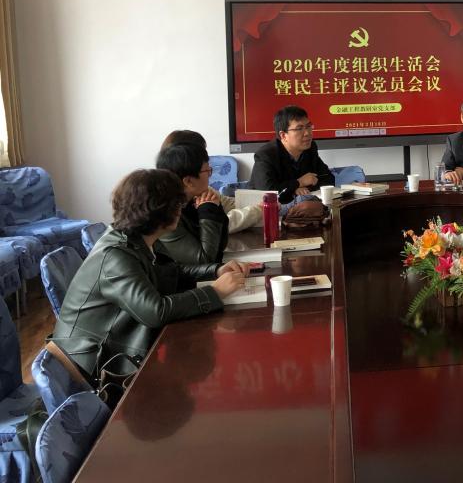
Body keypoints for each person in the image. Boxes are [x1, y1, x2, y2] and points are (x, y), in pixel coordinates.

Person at [49, 169, 247, 384]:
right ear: (160, 211)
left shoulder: (136, 238)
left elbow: (171, 272)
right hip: (90, 368)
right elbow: (155, 311)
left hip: (115, 347)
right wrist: (215, 291)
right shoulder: (115, 256)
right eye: (177, 204)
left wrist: (216, 270)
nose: (181, 210)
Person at [156, 142, 230, 264]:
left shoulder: (192, 201)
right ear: (188, 181)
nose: (210, 176)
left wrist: (215, 208)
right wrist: (209, 211)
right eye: (207, 171)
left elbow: (219, 247)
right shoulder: (165, 213)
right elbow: (205, 261)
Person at [250, 105, 334, 203]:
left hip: (300, 207)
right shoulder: (266, 155)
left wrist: (301, 189)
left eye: (308, 126)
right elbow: (267, 193)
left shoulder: (310, 148)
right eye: (299, 129)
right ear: (283, 135)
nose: (307, 133)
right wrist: (298, 183)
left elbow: (328, 179)